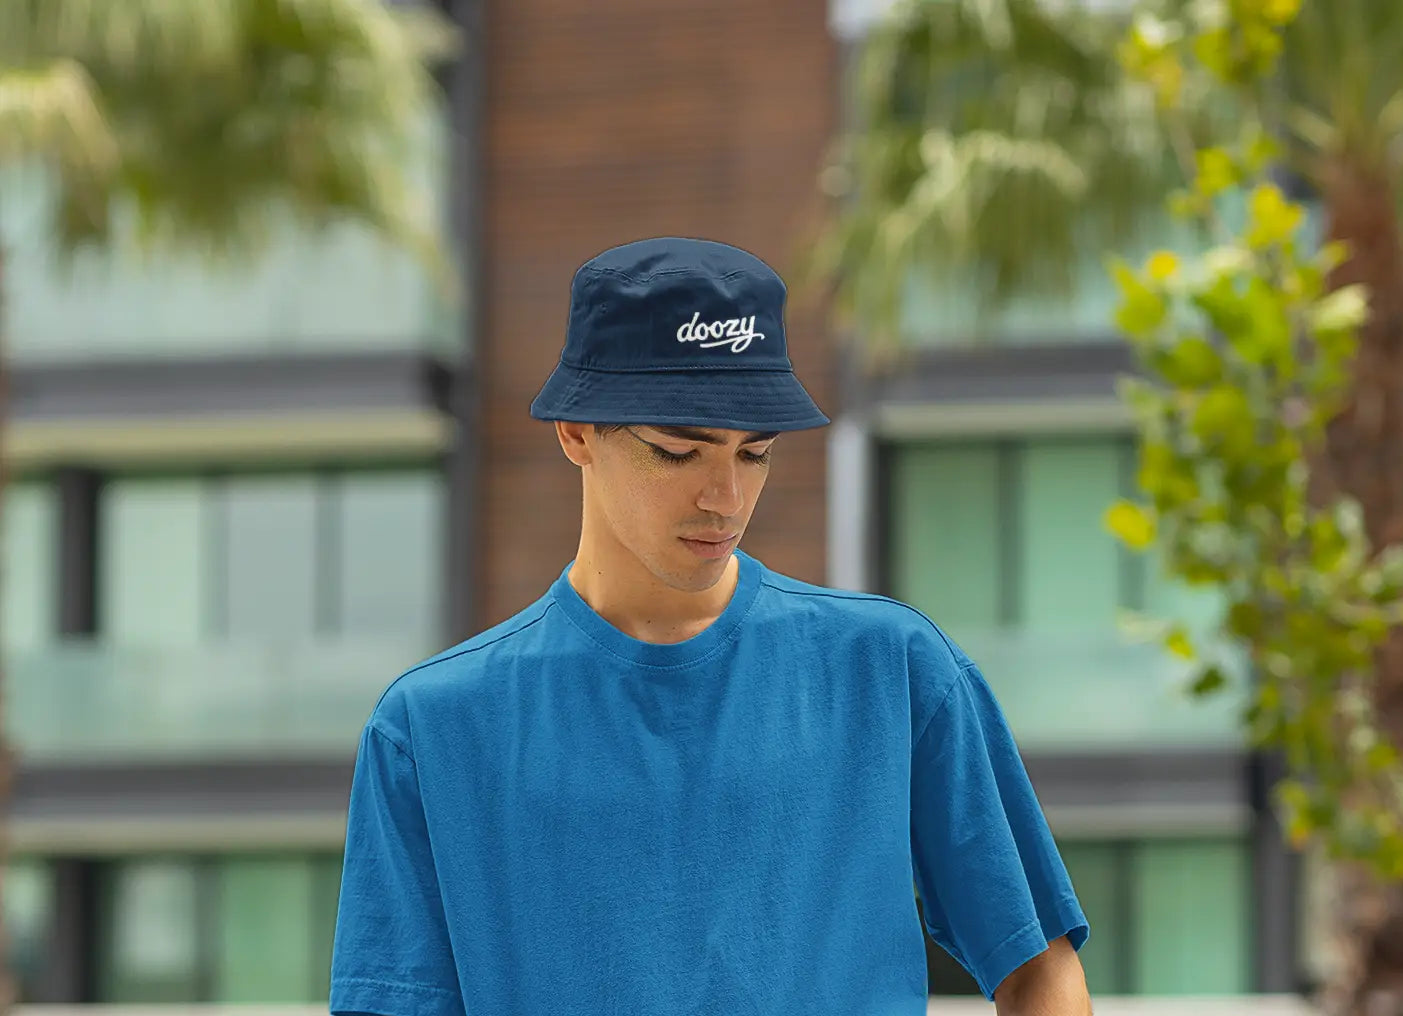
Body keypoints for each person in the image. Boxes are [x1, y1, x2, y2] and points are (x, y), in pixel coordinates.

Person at [329, 237, 1092, 1016]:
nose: (725, 498)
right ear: (576, 431)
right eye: (678, 452)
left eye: (754, 454)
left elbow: (1040, 971)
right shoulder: (431, 729)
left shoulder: (893, 670)